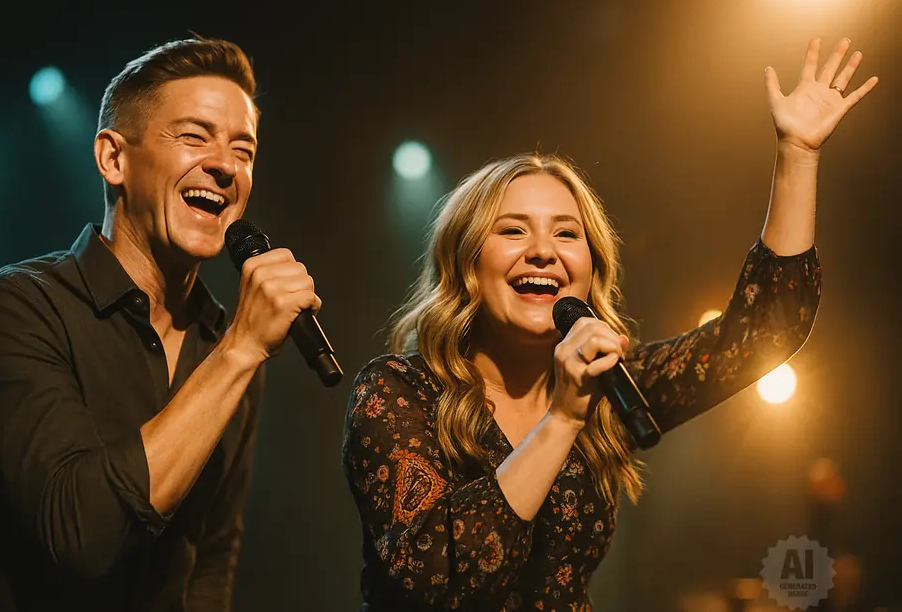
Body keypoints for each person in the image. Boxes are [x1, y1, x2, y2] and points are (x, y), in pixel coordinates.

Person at [342, 38, 877, 611]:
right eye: (514, 230)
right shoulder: (398, 393)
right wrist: (562, 419)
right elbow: (431, 579)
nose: (544, 251)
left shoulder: (611, 386)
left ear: (591, 268)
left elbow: (766, 331)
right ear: (467, 262)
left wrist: (797, 153)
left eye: (567, 233)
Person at [0, 36, 321, 611]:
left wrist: (235, 353)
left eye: (244, 150)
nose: (226, 166)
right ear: (113, 158)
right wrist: (239, 353)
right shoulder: (10, 309)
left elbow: (206, 563)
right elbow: (78, 534)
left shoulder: (225, 345)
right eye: (193, 136)